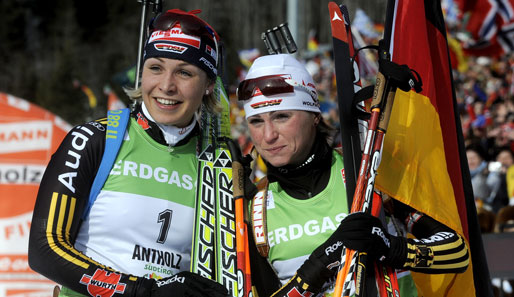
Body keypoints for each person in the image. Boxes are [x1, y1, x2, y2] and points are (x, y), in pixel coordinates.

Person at [28, 9, 229, 297]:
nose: (167, 86)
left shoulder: (216, 162)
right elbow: (45, 248)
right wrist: (142, 292)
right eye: (155, 68)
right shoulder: (94, 140)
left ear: (209, 85)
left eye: (184, 73)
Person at [237, 54, 470, 297]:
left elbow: (457, 252)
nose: (268, 135)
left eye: (282, 117)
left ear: (315, 116)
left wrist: (390, 248)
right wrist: (320, 265)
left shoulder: (369, 171)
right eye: (256, 121)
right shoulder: (255, 209)